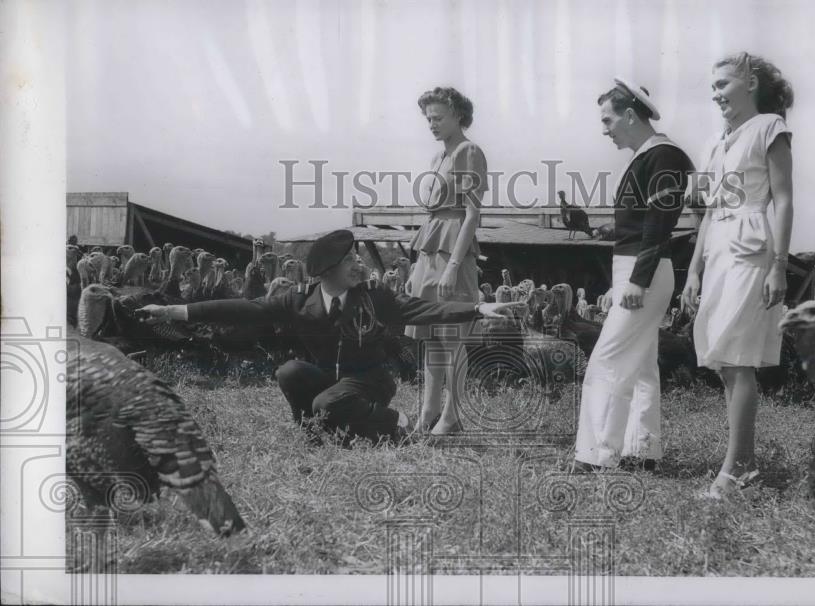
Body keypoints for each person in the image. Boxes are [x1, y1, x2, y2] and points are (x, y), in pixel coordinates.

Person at [139, 230, 520, 445]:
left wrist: (475, 309)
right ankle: (317, 433)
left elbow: (422, 310)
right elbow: (244, 308)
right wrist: (174, 311)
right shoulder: (299, 300)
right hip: (330, 380)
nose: (361, 265)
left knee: (328, 401)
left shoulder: (374, 297)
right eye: (353, 260)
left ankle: (399, 421)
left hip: (369, 381)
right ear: (329, 271)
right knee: (289, 371)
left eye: (359, 259)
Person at [681, 52, 795, 499]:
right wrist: (693, 271)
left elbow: (783, 200)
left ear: (750, 83)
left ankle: (734, 472)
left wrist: (779, 265)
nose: (717, 95)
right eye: (713, 88)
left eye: (724, 85)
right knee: (724, 358)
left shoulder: (770, 128)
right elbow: (710, 212)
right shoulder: (716, 142)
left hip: (752, 247)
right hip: (719, 250)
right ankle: (743, 466)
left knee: (736, 355)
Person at [570, 78, 694, 473]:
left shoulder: (664, 155)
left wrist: (637, 281)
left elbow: (660, 226)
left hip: (645, 271)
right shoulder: (645, 157)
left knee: (607, 360)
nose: (604, 128)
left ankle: (595, 457)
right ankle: (642, 452)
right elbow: (642, 226)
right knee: (640, 365)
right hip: (638, 266)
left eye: (607, 120)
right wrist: (612, 251)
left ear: (628, 115)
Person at [406, 87, 489, 435]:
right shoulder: (437, 158)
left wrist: (454, 265)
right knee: (431, 336)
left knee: (452, 336)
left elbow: (472, 213)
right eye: (429, 118)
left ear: (458, 115)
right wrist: (416, 266)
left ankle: (452, 417)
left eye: (438, 117)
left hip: (453, 248)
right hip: (429, 247)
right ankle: (428, 412)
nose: (432, 124)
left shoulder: (468, 151)